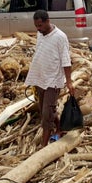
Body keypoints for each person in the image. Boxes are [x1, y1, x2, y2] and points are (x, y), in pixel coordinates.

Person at [25, 10, 75, 147]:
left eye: (40, 25)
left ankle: (43, 146)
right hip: (40, 78)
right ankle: (60, 128)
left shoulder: (60, 37)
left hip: (53, 81)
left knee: (47, 115)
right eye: (36, 26)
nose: (38, 28)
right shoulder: (40, 34)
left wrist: (69, 82)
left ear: (48, 21)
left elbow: (66, 60)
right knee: (46, 111)